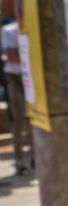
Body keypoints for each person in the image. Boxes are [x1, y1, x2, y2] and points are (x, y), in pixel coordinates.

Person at [2, 20, 30, 176]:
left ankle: (35, 156)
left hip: (31, 77)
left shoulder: (34, 27)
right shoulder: (9, 30)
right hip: (14, 77)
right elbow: (12, 57)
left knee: (34, 119)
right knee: (18, 119)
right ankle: (20, 158)